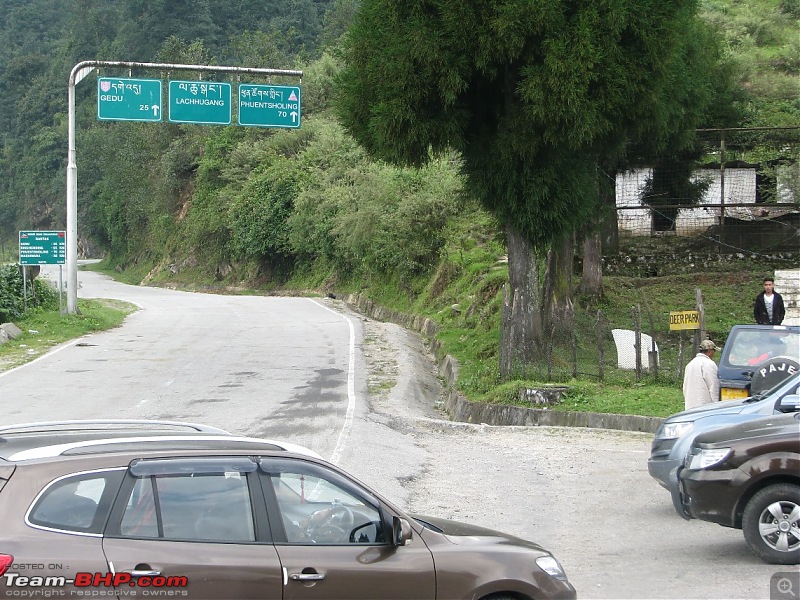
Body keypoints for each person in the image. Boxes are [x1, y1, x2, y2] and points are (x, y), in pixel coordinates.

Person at [683, 339, 720, 410]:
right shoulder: (709, 364)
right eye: (713, 351)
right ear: (709, 351)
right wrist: (716, 404)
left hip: (690, 405)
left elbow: (685, 386)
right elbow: (713, 386)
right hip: (704, 406)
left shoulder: (690, 364)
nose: (714, 354)